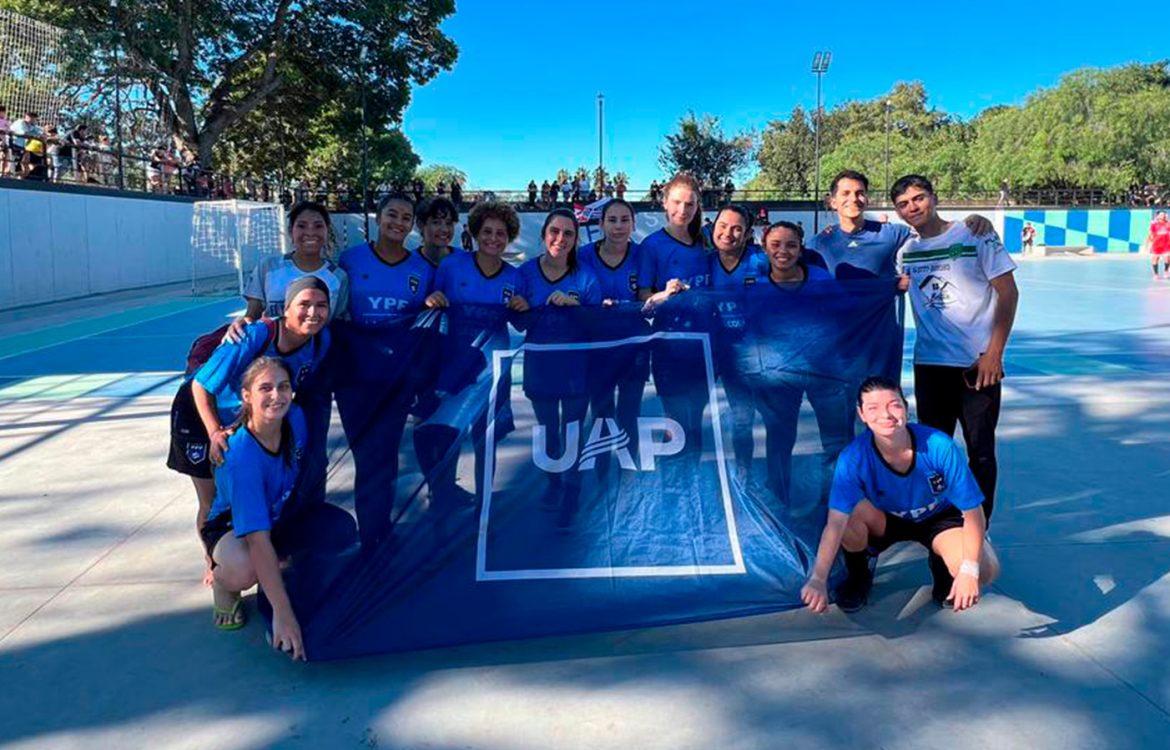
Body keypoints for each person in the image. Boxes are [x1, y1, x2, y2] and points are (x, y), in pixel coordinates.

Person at [168, 277, 333, 584]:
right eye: (304, 305)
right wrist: (215, 432)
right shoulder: (254, 335)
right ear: (286, 308)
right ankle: (215, 565)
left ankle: (250, 550)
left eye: (321, 306)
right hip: (200, 412)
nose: (313, 313)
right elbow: (202, 386)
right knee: (211, 497)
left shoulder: (320, 342)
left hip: (243, 420)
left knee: (247, 492)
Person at [801, 377, 1000, 613]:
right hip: (886, 520)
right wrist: (818, 579)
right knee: (848, 513)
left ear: (905, 408)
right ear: (861, 414)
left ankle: (942, 562)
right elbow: (834, 524)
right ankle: (858, 576)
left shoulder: (939, 445)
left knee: (986, 570)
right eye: (873, 408)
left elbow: (973, 510)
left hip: (938, 518)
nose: (885, 415)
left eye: (894, 405)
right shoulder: (853, 457)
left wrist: (969, 570)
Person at [200, 356, 356, 656]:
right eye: (265, 388)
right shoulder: (241, 458)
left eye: (283, 386)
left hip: (280, 515)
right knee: (246, 568)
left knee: (341, 530)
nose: (276, 395)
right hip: (233, 528)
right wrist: (283, 615)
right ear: (246, 396)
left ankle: (278, 565)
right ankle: (224, 584)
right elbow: (258, 541)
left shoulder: (295, 418)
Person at [893, 174, 1019, 523]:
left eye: (918, 198)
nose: (912, 207)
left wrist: (994, 353)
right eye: (903, 204)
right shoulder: (906, 252)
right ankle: (943, 523)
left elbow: (1008, 292)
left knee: (979, 451)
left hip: (976, 364)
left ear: (933, 197)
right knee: (935, 451)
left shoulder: (975, 234)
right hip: (930, 365)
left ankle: (980, 528)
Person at [334, 193, 436, 547]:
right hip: (354, 376)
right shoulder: (349, 260)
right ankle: (370, 533)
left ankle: (380, 533)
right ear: (378, 218)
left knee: (387, 455)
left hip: (395, 378)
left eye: (406, 217)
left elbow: (431, 314)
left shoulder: (421, 270)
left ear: (412, 226)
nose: (398, 222)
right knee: (366, 456)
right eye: (392, 214)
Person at [419, 202, 530, 510]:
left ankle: (484, 508)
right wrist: (432, 299)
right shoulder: (452, 267)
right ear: (475, 234)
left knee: (486, 441)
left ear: (509, 237)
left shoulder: (516, 278)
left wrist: (523, 308)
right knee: (447, 438)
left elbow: (521, 324)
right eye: (487, 232)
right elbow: (433, 310)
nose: (494, 238)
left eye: (501, 233)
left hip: (493, 373)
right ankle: (442, 498)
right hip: (453, 369)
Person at [744, 221, 847, 505]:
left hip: (824, 372)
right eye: (775, 245)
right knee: (778, 439)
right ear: (764, 248)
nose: (783, 251)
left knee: (836, 441)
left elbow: (848, 315)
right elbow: (749, 329)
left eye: (791, 245)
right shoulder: (756, 286)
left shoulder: (821, 279)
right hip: (779, 374)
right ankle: (779, 497)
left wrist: (890, 287)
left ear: (801, 248)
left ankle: (835, 502)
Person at [519, 209, 602, 528]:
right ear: (543, 235)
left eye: (568, 234)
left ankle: (572, 492)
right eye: (555, 231)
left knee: (573, 431)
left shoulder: (586, 277)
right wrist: (521, 309)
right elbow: (515, 319)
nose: (561, 239)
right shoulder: (525, 273)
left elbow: (597, 323)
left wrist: (576, 306)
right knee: (549, 432)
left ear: (576, 239)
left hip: (576, 367)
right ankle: (553, 483)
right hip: (540, 365)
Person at [638, 172, 713, 454]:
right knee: (676, 420)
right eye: (677, 203)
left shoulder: (706, 241)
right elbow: (643, 299)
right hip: (669, 346)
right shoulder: (653, 246)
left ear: (697, 207)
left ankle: (693, 487)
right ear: (665, 204)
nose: (683, 210)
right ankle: (673, 488)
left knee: (695, 418)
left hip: (705, 344)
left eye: (690, 204)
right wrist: (665, 295)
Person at [578, 199, 648, 467]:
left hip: (634, 347)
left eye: (624, 220)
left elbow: (648, 296)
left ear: (633, 224)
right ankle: (603, 475)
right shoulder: (584, 256)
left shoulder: (643, 255)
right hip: (598, 349)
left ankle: (628, 474)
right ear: (600, 224)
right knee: (602, 414)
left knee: (630, 413)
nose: (618, 226)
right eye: (612, 220)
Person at [708, 205, 765, 480]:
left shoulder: (761, 261)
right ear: (712, 226)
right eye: (722, 226)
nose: (728, 233)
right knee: (686, 414)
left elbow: (800, 271)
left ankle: (744, 474)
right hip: (708, 351)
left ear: (747, 233)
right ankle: (685, 477)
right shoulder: (702, 261)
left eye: (736, 228)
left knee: (743, 419)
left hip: (746, 354)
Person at [415, 196, 463, 267]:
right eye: (436, 222)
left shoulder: (465, 261)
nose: (444, 229)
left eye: (448, 223)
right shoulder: (408, 263)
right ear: (421, 224)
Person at [1146, 210, 1170, 279]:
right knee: (1155, 259)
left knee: (1167, 259)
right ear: (1158, 216)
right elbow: (1150, 234)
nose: (1163, 216)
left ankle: (1166, 271)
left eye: (1164, 214)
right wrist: (1147, 243)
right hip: (1156, 245)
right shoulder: (1154, 224)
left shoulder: (1168, 224)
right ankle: (1156, 274)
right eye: (1161, 215)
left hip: (1166, 245)